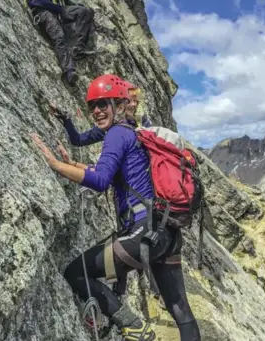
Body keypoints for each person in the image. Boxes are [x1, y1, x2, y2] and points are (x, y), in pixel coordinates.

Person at [30, 74, 201, 341]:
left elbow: (100, 180)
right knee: (181, 312)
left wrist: (56, 166)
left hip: (142, 233)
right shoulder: (132, 132)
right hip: (166, 233)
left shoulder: (117, 135)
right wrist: (69, 142)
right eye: (92, 106)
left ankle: (133, 326)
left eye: (103, 104)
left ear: (119, 105)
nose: (96, 111)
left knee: (77, 271)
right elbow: (98, 159)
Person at [49, 80, 151, 147]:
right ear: (121, 103)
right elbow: (78, 140)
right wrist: (66, 119)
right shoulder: (107, 127)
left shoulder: (143, 123)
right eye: (130, 100)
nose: (133, 104)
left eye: (136, 101)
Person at [27, 0, 96, 85]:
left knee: (84, 12)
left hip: (57, 9)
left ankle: (78, 49)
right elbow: (35, 2)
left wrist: (73, 5)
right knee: (59, 36)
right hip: (43, 10)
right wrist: (58, 8)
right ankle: (69, 71)